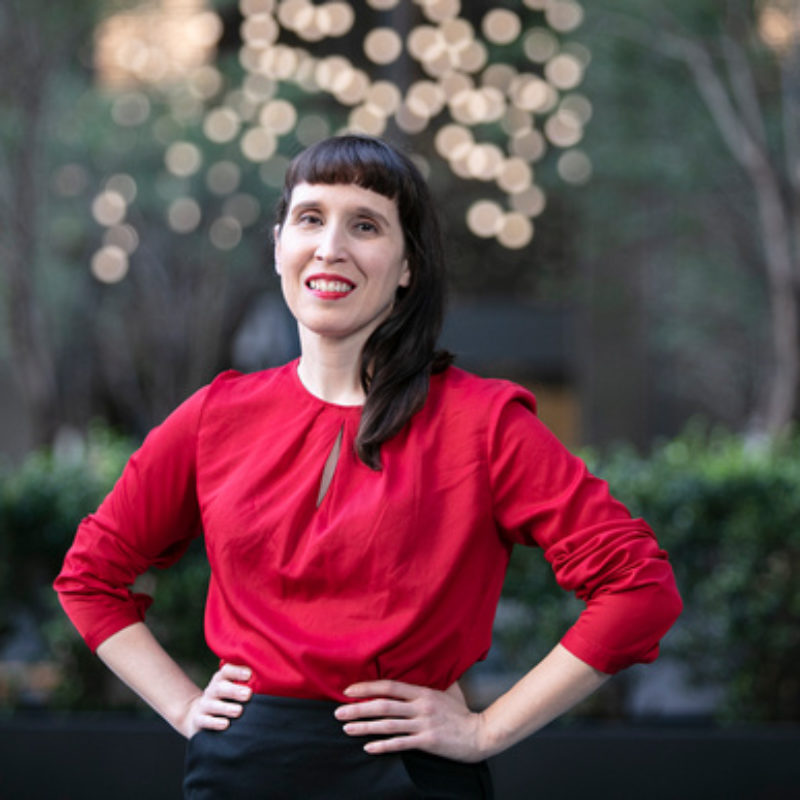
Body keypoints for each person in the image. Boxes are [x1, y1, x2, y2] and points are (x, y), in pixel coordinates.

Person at [54, 134, 682, 799]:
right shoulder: (216, 416)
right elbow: (91, 578)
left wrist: (488, 730)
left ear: (408, 265)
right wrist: (182, 706)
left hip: (408, 775)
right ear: (279, 246)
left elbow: (638, 589)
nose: (331, 247)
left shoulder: (484, 423)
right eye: (310, 218)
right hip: (240, 773)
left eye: (365, 225)